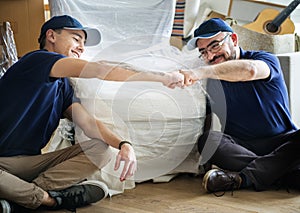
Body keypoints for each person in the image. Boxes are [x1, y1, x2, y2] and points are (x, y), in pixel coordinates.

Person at [0, 15, 184, 212]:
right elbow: (99, 69)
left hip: (29, 164)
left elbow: (88, 123)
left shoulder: (63, 86)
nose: (81, 47)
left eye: (83, 43)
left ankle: (19, 198)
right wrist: (162, 77)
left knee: (100, 149)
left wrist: (124, 144)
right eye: (76, 39)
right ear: (51, 36)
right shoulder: (36, 60)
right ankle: (47, 200)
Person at [180, 18, 300, 195]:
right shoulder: (211, 83)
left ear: (234, 40)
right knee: (208, 141)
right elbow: (204, 117)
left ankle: (242, 178)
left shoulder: (265, 59)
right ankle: (282, 175)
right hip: (241, 148)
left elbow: (250, 70)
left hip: (282, 142)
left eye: (215, 46)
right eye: (203, 52)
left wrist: (200, 72)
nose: (210, 56)